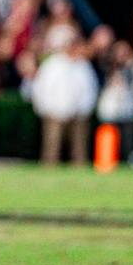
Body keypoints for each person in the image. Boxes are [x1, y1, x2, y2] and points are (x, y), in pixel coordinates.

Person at [30, 26, 99, 166]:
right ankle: (48, 172)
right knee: (51, 148)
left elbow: (90, 89)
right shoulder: (52, 64)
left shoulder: (83, 65)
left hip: (79, 114)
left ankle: (80, 175)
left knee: (79, 150)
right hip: (54, 113)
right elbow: (41, 88)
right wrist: (45, 108)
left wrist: (85, 109)